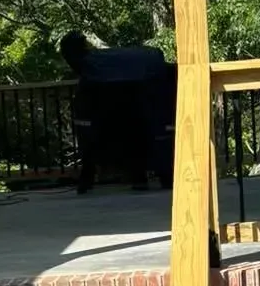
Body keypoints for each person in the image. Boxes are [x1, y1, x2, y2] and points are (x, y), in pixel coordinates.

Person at [59, 32, 176, 193]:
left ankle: (147, 178)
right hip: (139, 109)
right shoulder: (96, 63)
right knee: (150, 142)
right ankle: (157, 178)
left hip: (130, 111)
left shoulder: (94, 65)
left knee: (142, 142)